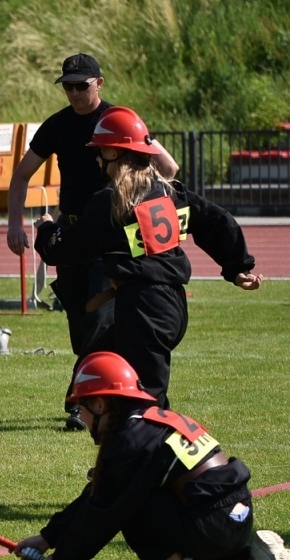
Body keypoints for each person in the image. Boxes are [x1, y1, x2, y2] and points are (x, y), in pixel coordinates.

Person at [34, 105, 261, 406]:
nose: (97, 158)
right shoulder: (169, 193)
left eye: (100, 151)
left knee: (149, 403)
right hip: (171, 306)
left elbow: (67, 249)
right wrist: (237, 266)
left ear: (115, 154)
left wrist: (47, 231)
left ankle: (153, 442)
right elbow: (214, 220)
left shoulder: (112, 203)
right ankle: (85, 405)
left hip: (143, 308)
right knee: (98, 355)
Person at [12, 351, 290, 560]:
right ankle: (248, 557)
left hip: (209, 524)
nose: (83, 419)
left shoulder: (131, 439)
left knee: (131, 501)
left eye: (82, 408)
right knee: (137, 493)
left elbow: (103, 511)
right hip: (236, 519)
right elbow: (98, 492)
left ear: (100, 404)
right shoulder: (151, 421)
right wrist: (48, 537)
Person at [5, 54, 179, 431]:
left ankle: (79, 400)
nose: (74, 93)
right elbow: (20, 176)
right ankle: (98, 387)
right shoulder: (58, 125)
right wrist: (14, 224)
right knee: (81, 323)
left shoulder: (118, 120)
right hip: (70, 238)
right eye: (68, 86)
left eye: (81, 85)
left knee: (100, 321)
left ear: (99, 83)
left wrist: (141, 189)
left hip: (107, 236)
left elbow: (168, 168)